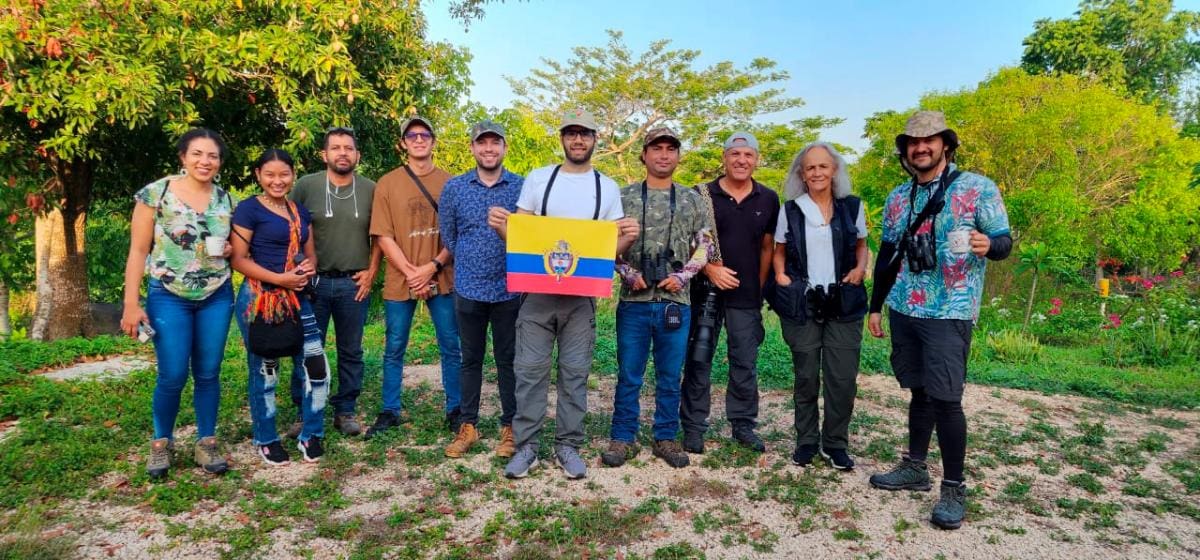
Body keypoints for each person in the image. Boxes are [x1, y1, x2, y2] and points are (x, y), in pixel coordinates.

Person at [866, 111, 1012, 530]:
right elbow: (888, 258)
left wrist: (990, 244)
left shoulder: (977, 188)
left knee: (947, 398)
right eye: (913, 142)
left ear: (945, 144)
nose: (921, 147)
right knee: (919, 392)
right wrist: (876, 307)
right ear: (905, 151)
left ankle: (953, 487)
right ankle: (914, 466)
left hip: (951, 308)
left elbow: (1003, 241)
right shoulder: (898, 198)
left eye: (929, 140)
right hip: (906, 308)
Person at [488, 108, 640, 479]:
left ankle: (568, 446)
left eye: (584, 133)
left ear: (594, 139)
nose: (577, 140)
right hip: (537, 297)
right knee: (529, 372)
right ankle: (527, 447)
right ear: (562, 138)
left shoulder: (607, 187)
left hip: (580, 299)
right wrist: (500, 228)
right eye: (571, 133)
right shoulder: (540, 180)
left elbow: (610, 250)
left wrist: (626, 239)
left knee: (575, 373)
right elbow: (520, 237)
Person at [121, 128, 235, 479]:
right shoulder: (157, 193)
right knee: (171, 374)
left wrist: (229, 249)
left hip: (216, 294)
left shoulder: (225, 199)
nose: (205, 161)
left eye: (212, 156)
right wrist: (131, 303)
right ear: (183, 157)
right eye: (198, 154)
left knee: (208, 372)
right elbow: (139, 250)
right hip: (169, 295)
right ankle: (161, 443)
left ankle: (206, 441)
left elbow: (231, 245)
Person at [602, 127, 713, 469]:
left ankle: (666, 437)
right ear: (644, 155)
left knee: (669, 374)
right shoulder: (623, 197)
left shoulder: (693, 199)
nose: (663, 155)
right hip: (633, 302)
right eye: (656, 149)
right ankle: (622, 438)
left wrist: (683, 276)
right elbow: (603, 243)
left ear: (678, 156)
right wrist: (627, 272)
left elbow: (705, 246)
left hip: (674, 302)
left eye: (670, 149)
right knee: (629, 374)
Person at [770, 142, 868, 471]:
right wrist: (781, 276)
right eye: (810, 167)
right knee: (806, 376)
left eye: (823, 166)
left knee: (841, 379)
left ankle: (835, 443)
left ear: (834, 170)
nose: (817, 172)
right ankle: (807, 440)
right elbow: (779, 248)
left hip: (844, 301)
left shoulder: (852, 206)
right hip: (804, 302)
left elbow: (861, 244)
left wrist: (859, 268)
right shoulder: (792, 209)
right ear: (802, 173)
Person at [680, 132, 779, 454]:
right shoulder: (701, 195)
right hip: (704, 290)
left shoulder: (768, 198)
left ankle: (743, 423)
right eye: (735, 154)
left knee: (745, 361)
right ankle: (694, 425)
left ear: (757, 160)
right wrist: (709, 269)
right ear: (723, 158)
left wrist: (759, 287)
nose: (741, 160)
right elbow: (688, 243)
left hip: (746, 295)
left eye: (748, 155)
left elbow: (767, 247)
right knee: (698, 358)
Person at [231, 149, 330, 465]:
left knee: (315, 366)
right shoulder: (248, 210)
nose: (277, 180)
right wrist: (280, 278)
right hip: (261, 300)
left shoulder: (299, 211)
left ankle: (311, 433)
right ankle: (266, 438)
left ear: (293, 175)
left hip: (298, 298)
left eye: (284, 174)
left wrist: (308, 269)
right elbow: (238, 259)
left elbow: (310, 253)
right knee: (265, 371)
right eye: (270, 174)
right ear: (258, 174)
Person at [366, 116, 462, 439]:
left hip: (442, 274)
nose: (419, 140)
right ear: (403, 143)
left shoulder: (451, 183)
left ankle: (456, 408)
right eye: (412, 135)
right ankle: (390, 409)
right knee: (394, 345)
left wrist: (431, 268)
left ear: (433, 142)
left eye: (425, 135)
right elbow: (382, 235)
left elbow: (456, 234)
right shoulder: (387, 184)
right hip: (400, 277)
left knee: (450, 344)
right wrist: (411, 273)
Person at [439, 120, 524, 459]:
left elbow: (531, 235)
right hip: (469, 288)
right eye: (482, 143)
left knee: (508, 359)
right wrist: (472, 261)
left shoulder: (521, 187)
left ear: (504, 148)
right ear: (473, 148)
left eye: (495, 143)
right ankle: (468, 425)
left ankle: (510, 428)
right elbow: (449, 234)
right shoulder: (455, 188)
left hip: (510, 289)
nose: (489, 149)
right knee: (470, 359)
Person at [288, 126, 379, 437]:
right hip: (313, 284)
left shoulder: (370, 189)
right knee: (308, 349)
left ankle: (346, 410)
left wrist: (371, 271)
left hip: (353, 282)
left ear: (357, 155)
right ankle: (304, 411)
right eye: (336, 147)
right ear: (324, 154)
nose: (343, 153)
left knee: (351, 349)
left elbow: (380, 235)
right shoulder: (306, 186)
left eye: (349, 148)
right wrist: (296, 271)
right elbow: (291, 229)